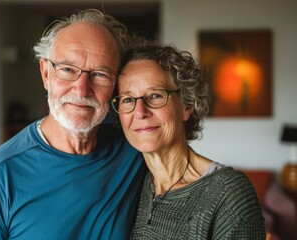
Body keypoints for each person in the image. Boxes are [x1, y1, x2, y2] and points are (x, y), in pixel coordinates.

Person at [0, 9, 146, 239]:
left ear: (116, 85)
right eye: (67, 70)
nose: (82, 89)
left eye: (100, 74)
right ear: (46, 74)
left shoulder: (134, 149)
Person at [110, 39, 266, 239]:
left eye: (156, 96)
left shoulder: (228, 193)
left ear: (186, 105)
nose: (140, 112)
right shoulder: (133, 184)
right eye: (128, 100)